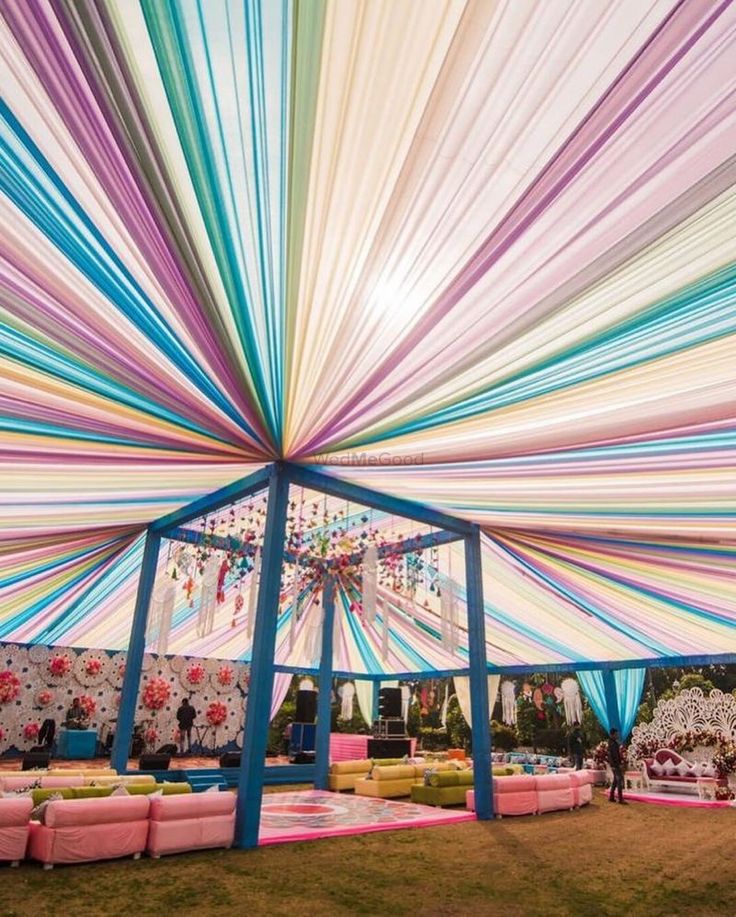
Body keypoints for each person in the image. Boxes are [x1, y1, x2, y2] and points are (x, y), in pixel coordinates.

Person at [607, 727, 626, 804]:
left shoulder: (612, 742)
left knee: (615, 781)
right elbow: (615, 755)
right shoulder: (613, 743)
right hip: (615, 764)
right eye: (616, 734)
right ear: (612, 734)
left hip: (614, 764)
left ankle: (611, 796)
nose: (617, 735)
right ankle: (620, 799)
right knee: (619, 780)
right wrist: (618, 764)